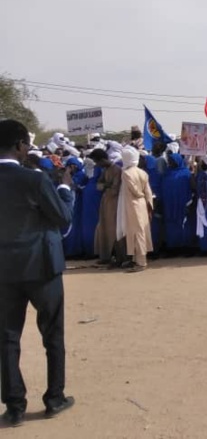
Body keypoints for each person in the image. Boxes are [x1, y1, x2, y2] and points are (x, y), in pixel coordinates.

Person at [0, 119, 76, 427]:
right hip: (42, 266)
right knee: (52, 335)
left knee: (7, 338)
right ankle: (54, 398)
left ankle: (14, 405)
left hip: (4, 271)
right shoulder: (34, 179)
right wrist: (65, 189)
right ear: (20, 145)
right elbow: (62, 217)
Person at [117, 147, 153, 272]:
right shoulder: (143, 173)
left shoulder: (126, 173)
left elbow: (135, 191)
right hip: (142, 204)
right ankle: (136, 259)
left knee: (137, 232)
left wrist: (140, 195)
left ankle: (141, 262)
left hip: (133, 205)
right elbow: (148, 192)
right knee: (139, 231)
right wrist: (149, 205)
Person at [90, 148, 125, 266]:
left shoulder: (117, 170)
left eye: (97, 162)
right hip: (106, 203)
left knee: (114, 231)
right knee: (103, 230)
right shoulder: (105, 170)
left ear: (102, 160)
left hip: (114, 204)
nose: (97, 165)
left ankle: (120, 258)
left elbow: (115, 189)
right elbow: (99, 185)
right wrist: (106, 185)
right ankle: (106, 257)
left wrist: (105, 186)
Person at [161, 152, 194, 255]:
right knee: (171, 225)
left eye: (172, 161)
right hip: (169, 204)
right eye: (169, 161)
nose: (170, 163)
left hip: (182, 203)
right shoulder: (166, 173)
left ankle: (185, 247)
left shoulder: (186, 173)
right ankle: (172, 247)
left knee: (184, 224)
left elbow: (191, 188)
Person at [80, 157, 102, 259]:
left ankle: (91, 250)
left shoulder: (88, 184)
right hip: (94, 203)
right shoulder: (97, 180)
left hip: (90, 204)